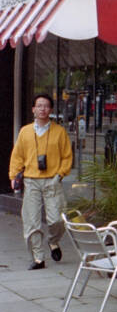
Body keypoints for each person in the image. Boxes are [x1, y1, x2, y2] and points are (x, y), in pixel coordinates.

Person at [8, 94, 73, 270]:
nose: (42, 109)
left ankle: (53, 241)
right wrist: (14, 176)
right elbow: (17, 155)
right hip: (31, 181)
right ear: (33, 109)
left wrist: (60, 175)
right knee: (32, 221)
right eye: (39, 106)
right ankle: (38, 258)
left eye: (46, 106)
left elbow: (67, 157)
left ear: (51, 110)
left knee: (57, 220)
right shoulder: (25, 131)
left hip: (53, 180)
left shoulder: (59, 132)